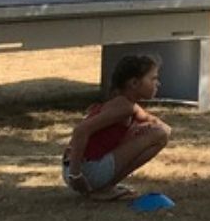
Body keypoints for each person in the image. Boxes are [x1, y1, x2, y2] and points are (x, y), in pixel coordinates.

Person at [62, 54, 172, 201]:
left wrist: (139, 130)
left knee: (157, 131)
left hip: (76, 168)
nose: (158, 83)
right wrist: (75, 174)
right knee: (160, 134)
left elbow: (154, 121)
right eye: (153, 78)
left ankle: (103, 186)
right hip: (83, 172)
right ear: (134, 83)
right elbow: (81, 130)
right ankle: (104, 189)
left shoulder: (126, 105)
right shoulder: (123, 107)